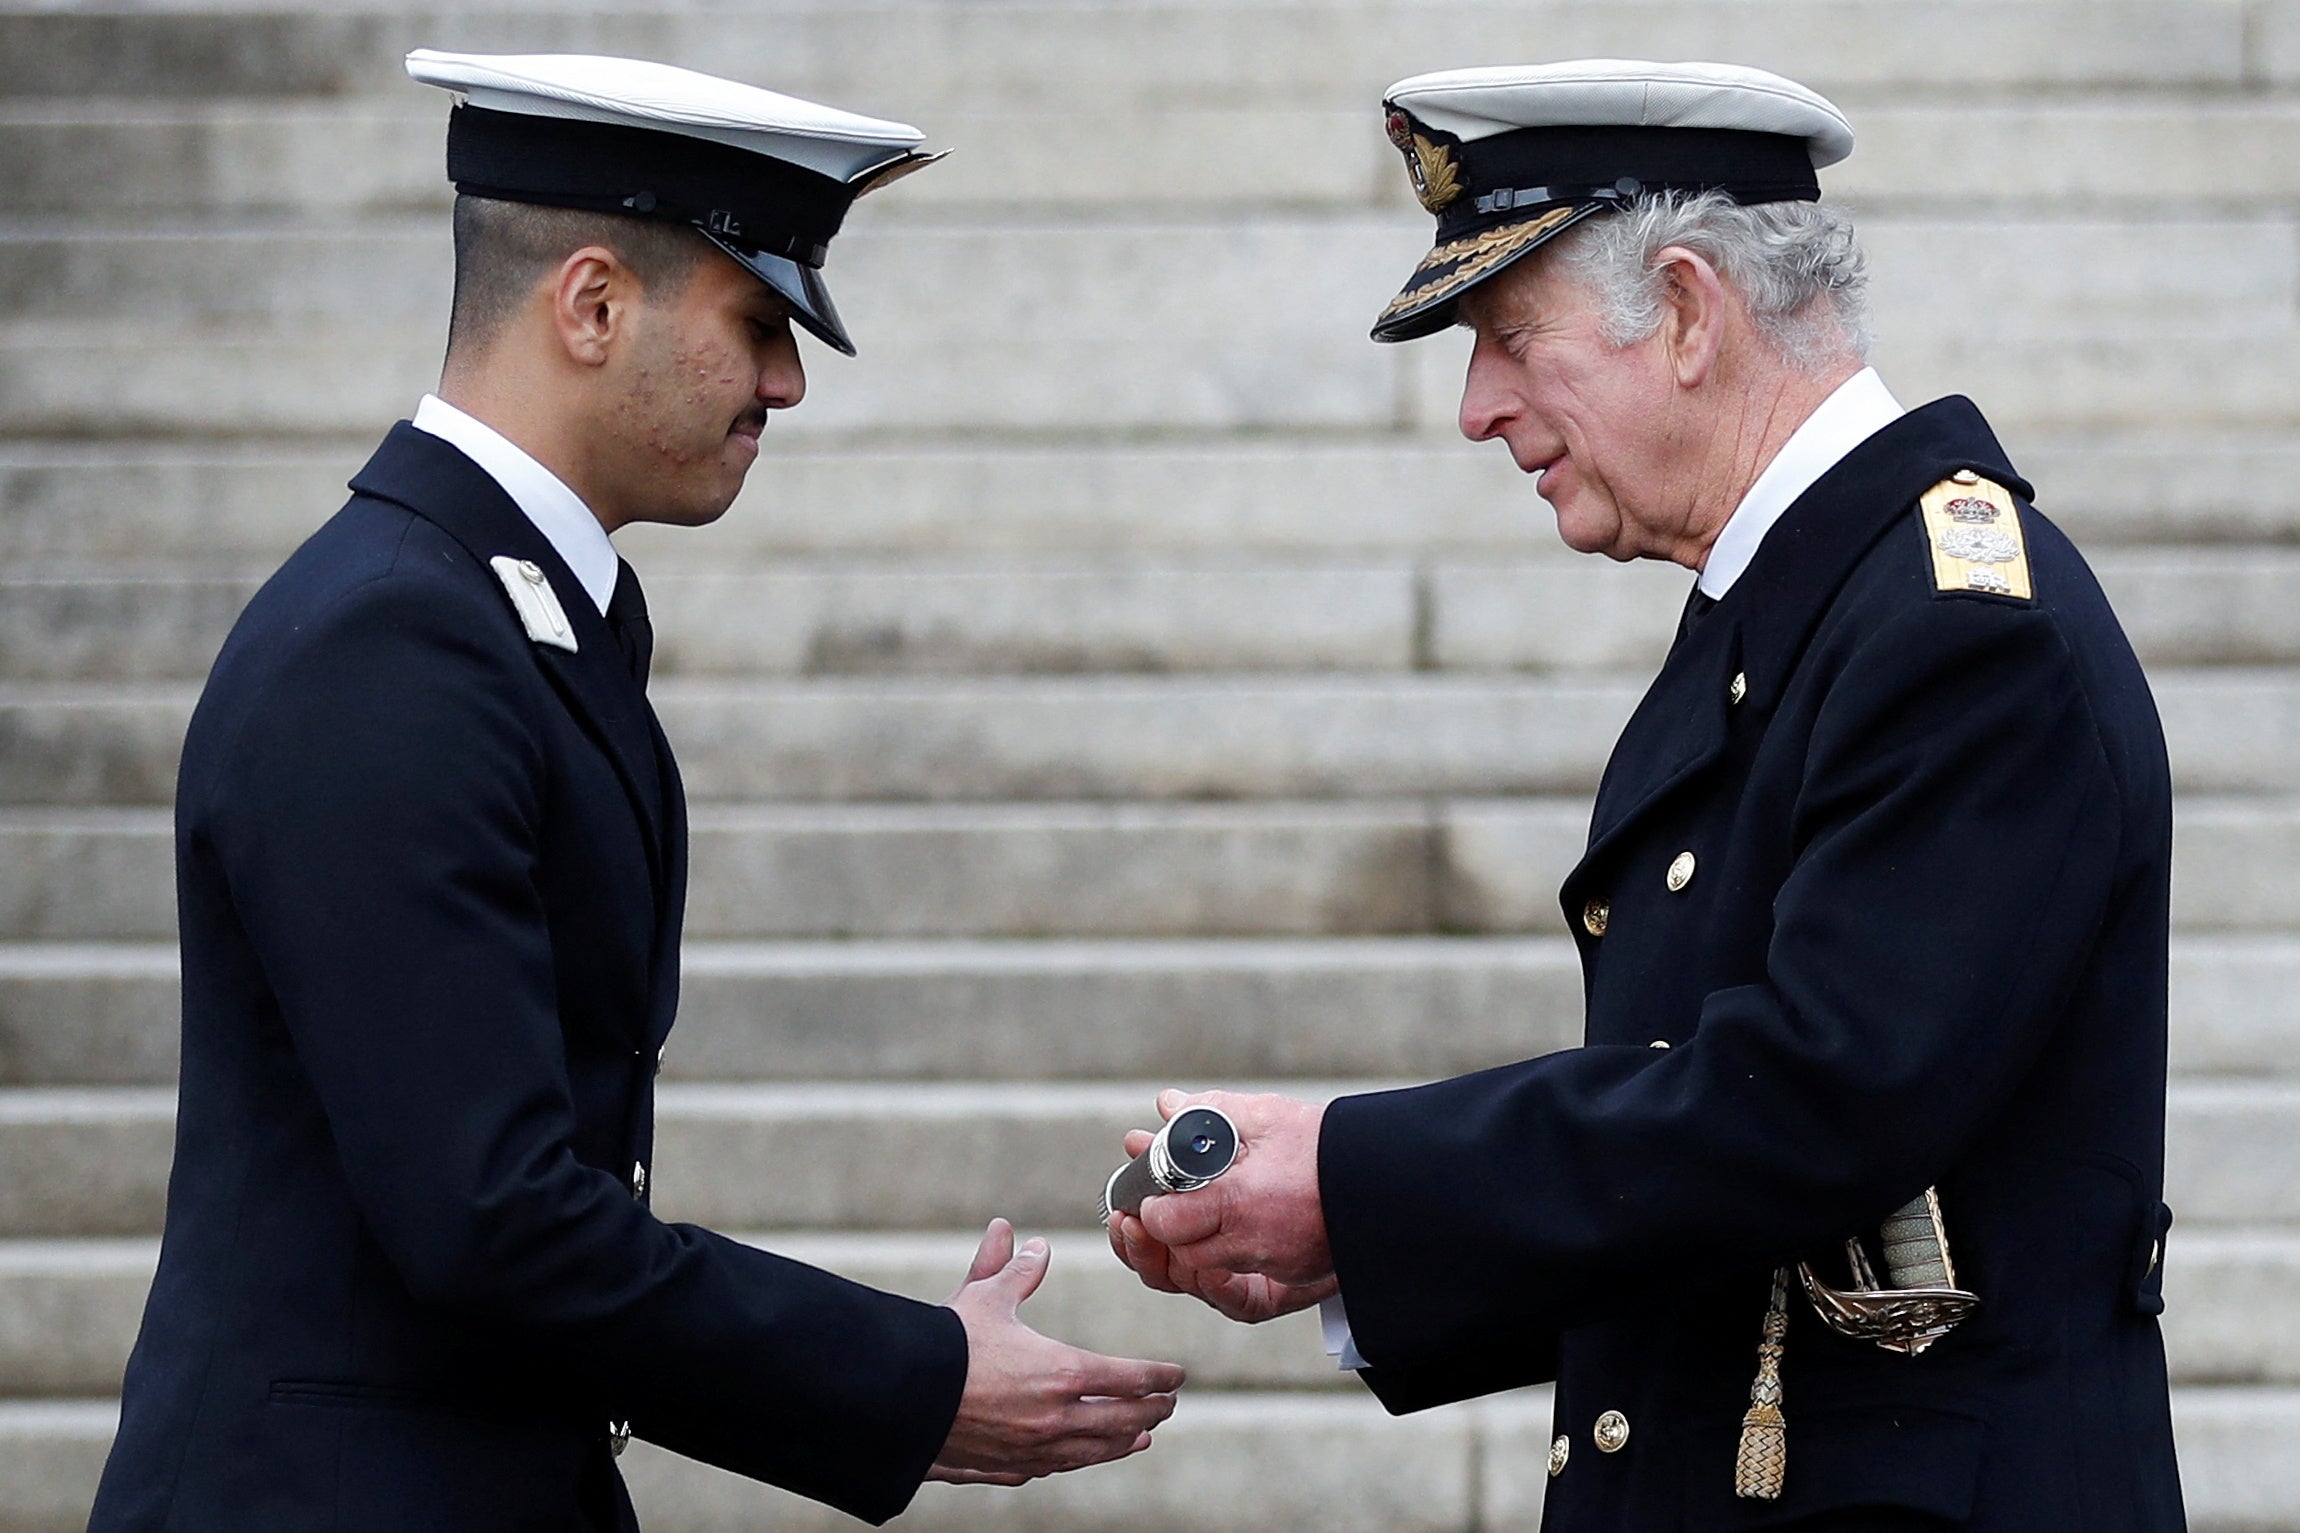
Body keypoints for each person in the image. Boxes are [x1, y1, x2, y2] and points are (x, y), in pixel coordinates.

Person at [90, 49, 1182, 1532]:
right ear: (592, 307)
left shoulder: (501, 609)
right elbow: (491, 1218)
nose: (787, 381)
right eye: (756, 324)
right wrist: (909, 1375)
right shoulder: (396, 639)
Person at [1108, 58, 2185, 1532]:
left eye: (1506, 337)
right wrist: (1354, 1241)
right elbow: (1709, 1164)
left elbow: (1811, 1105)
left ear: (1686, 310)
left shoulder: (1958, 626)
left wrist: (1359, 1178)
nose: (1479, 408)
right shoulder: (1808, 605)